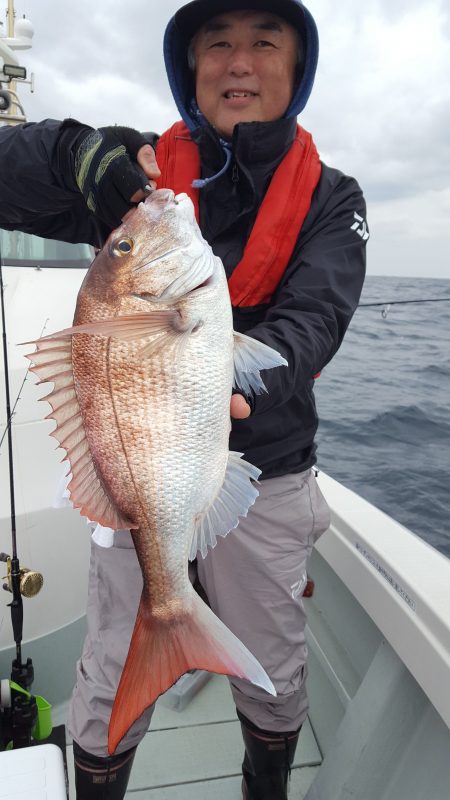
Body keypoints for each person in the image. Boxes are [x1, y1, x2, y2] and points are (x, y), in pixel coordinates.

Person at [0, 0, 368, 797]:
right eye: (217, 46)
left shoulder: (335, 199)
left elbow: (317, 318)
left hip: (264, 470)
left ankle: (263, 779)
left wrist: (246, 394)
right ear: (189, 71)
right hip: (143, 482)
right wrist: (69, 152)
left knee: (271, 661)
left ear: (296, 70)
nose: (239, 62)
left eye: (264, 43)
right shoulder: (139, 180)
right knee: (106, 673)